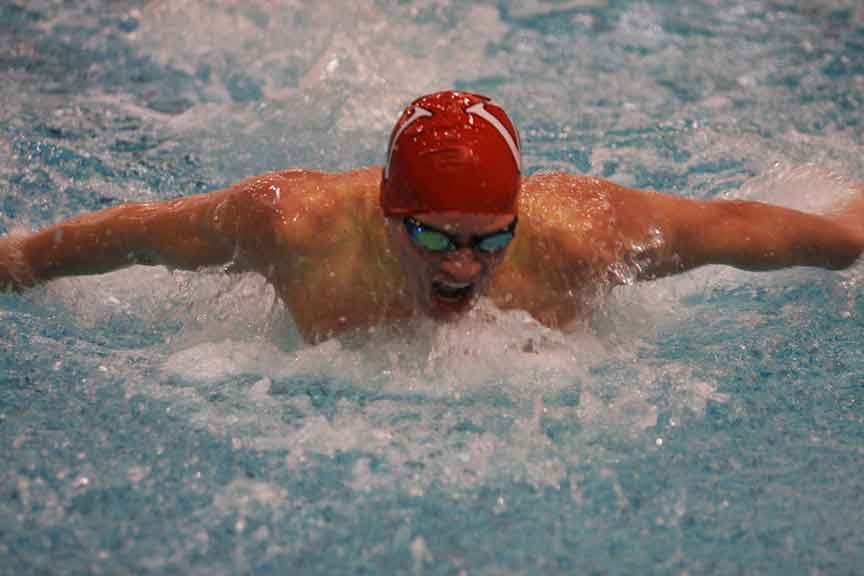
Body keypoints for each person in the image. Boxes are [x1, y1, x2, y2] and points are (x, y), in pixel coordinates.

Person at [0, 90, 862, 342]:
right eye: (433, 237)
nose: (463, 266)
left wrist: (852, 231)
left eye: (492, 239)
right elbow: (135, 233)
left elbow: (739, 230)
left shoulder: (582, 234)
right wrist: (20, 262)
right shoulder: (290, 225)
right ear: (386, 212)